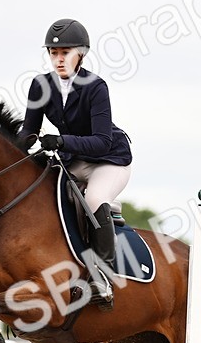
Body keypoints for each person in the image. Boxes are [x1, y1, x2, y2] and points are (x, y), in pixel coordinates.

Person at [19, 18, 131, 307]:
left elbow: (101, 141)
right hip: (73, 161)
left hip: (108, 160)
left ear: (81, 54)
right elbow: (28, 132)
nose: (59, 59)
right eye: (53, 53)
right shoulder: (40, 85)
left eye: (65, 53)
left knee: (93, 197)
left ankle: (102, 276)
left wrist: (62, 141)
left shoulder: (95, 87)